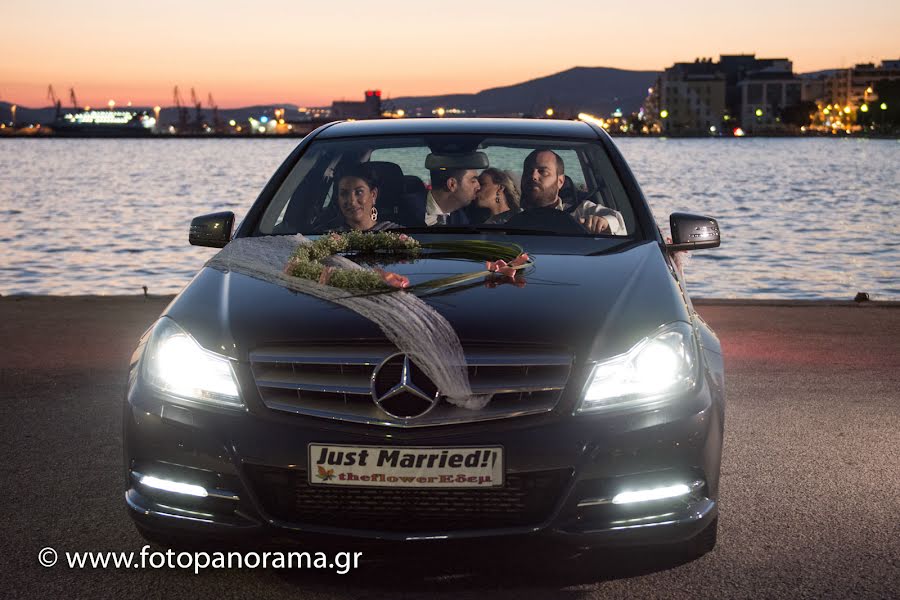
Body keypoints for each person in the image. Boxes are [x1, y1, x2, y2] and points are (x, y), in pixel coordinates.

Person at [510, 149, 626, 235]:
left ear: (560, 181)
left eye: (543, 172)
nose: (533, 176)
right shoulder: (508, 215)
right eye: (528, 171)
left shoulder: (581, 211)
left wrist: (603, 223)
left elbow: (621, 222)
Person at [335, 164, 397, 231]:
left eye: (359, 192)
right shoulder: (329, 238)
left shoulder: (399, 235)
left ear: (373, 195)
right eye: (344, 193)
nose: (352, 202)